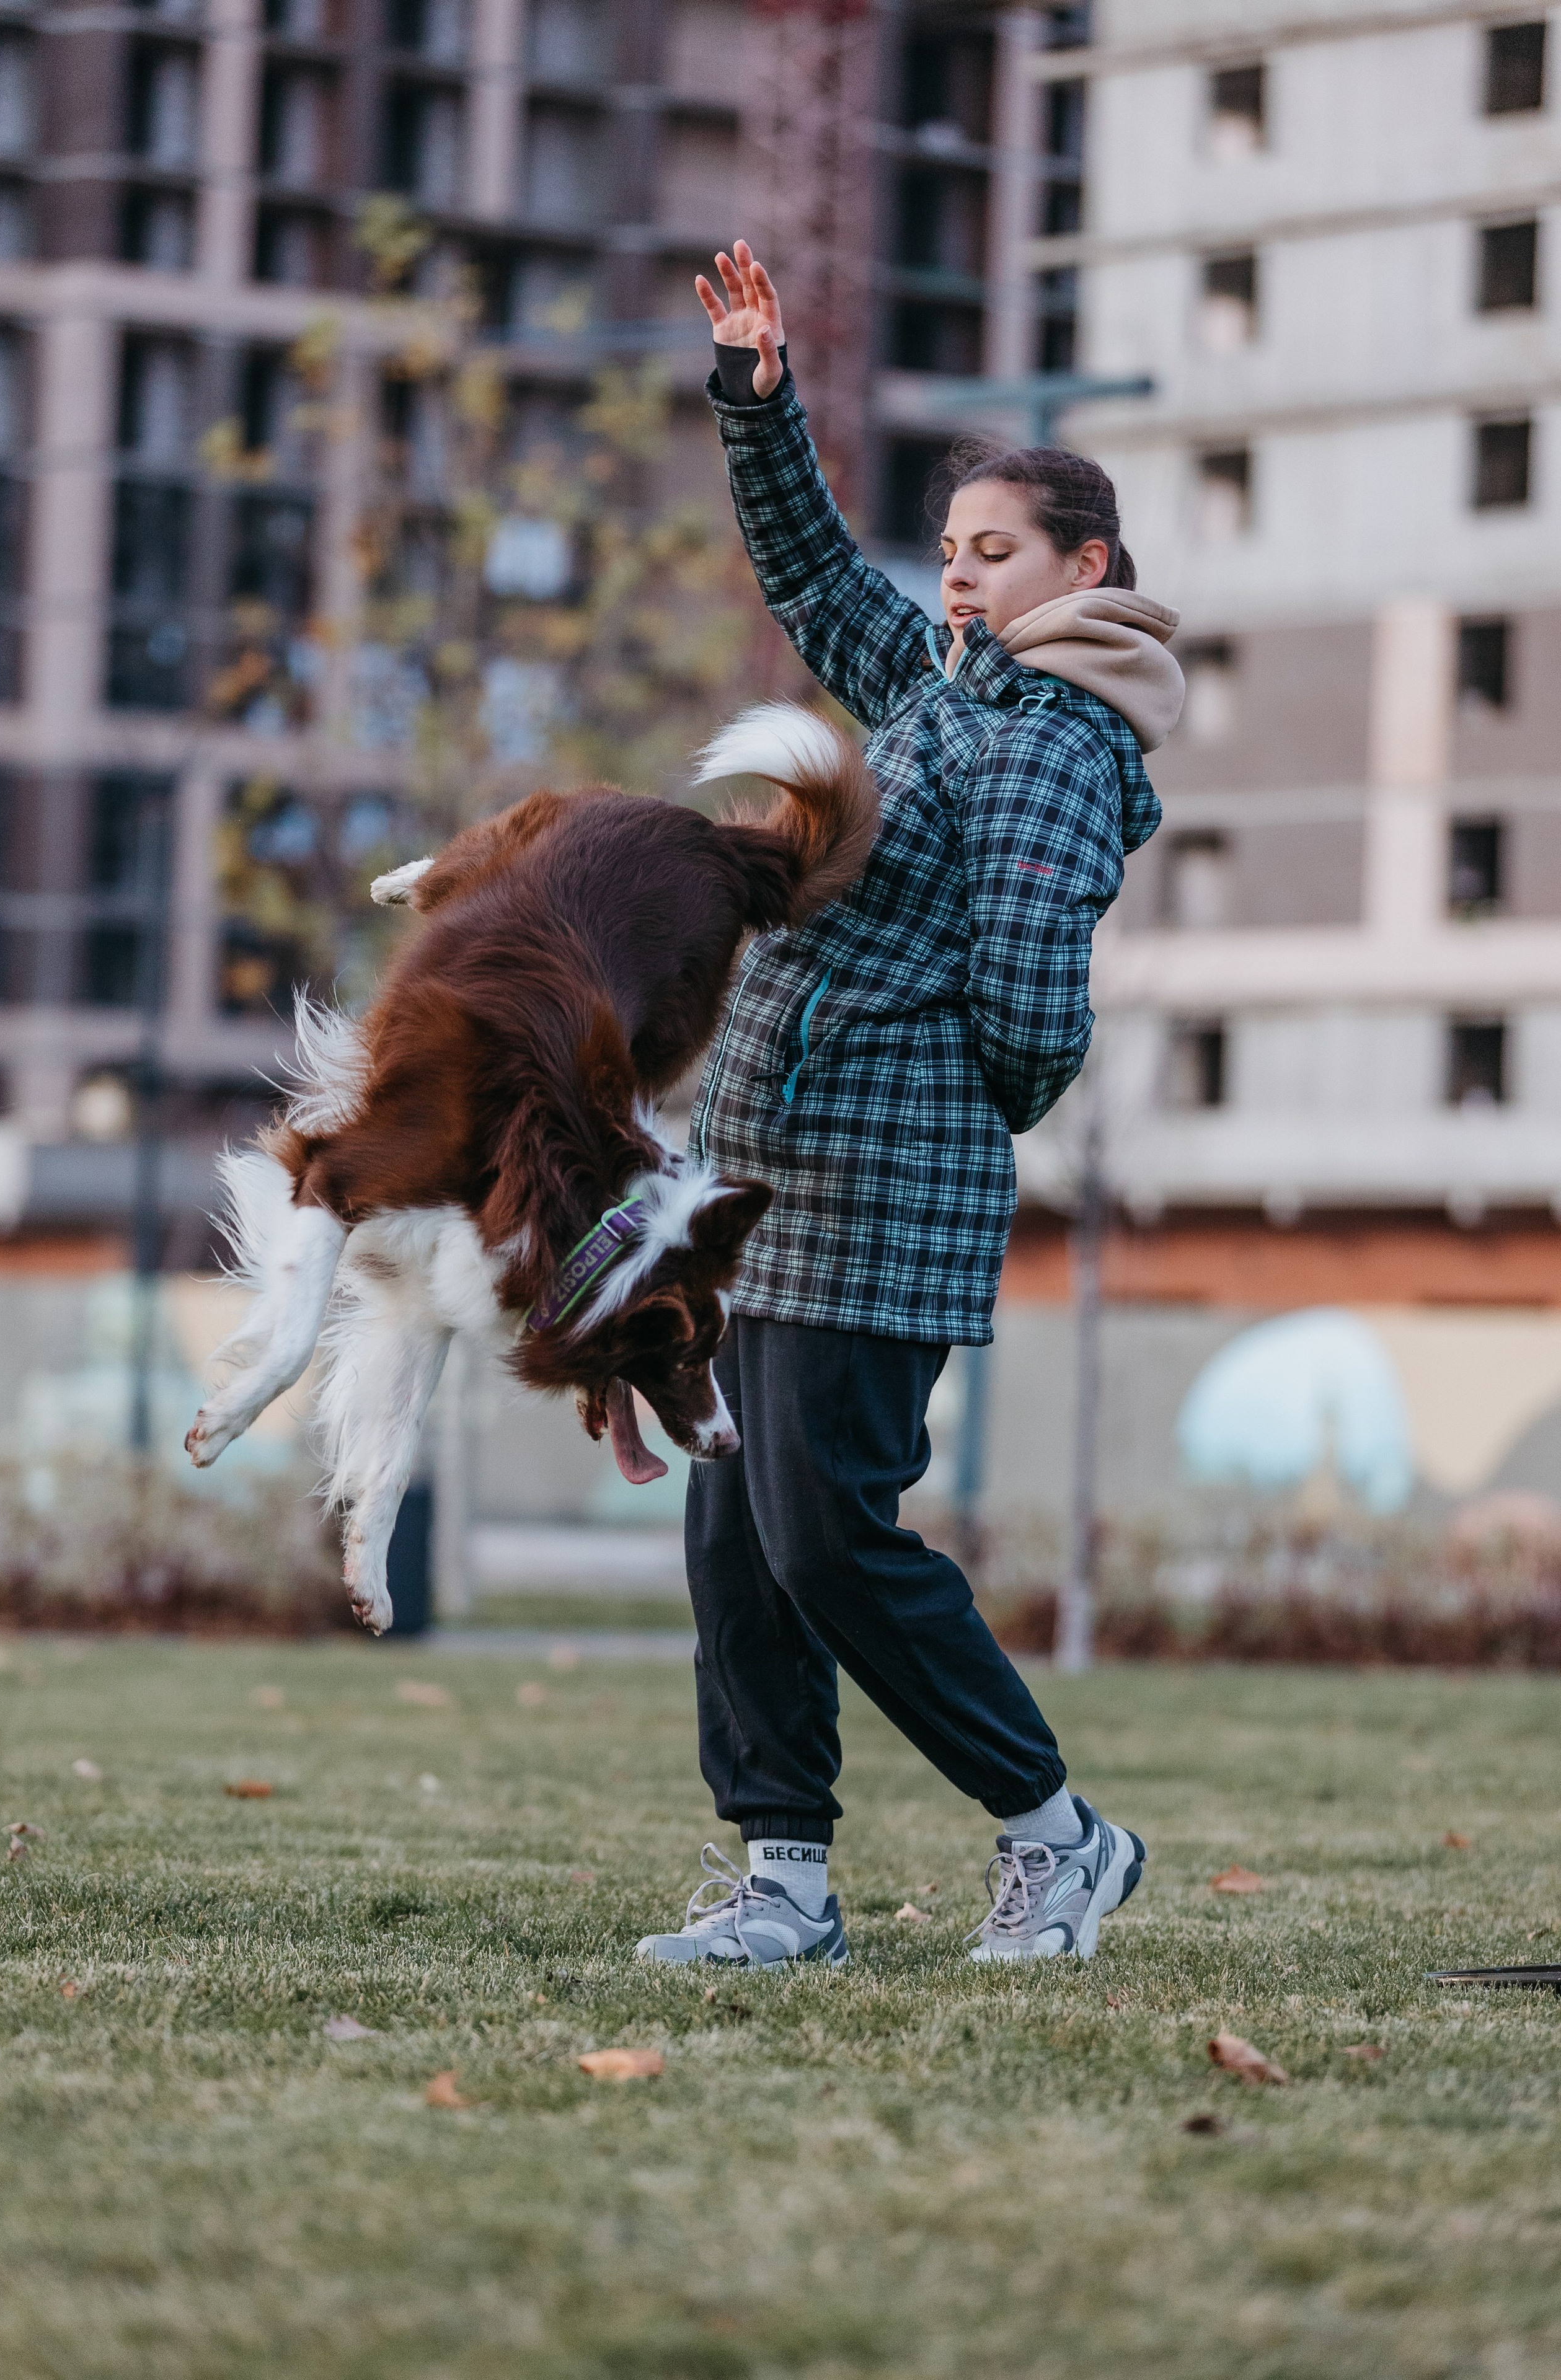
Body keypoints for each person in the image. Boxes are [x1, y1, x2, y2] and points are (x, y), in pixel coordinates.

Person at [635, 242, 1184, 1972]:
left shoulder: (1053, 739)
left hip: (886, 1188)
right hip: (769, 1177)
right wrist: (758, 394)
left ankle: (1060, 1839)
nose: (955, 584)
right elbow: (813, 579)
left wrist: (946, 1095)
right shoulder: (951, 699)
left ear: (1083, 565)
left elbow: (1033, 1004)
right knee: (740, 1535)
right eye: (950, 556)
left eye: (994, 555)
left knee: (829, 1534)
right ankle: (785, 1883)